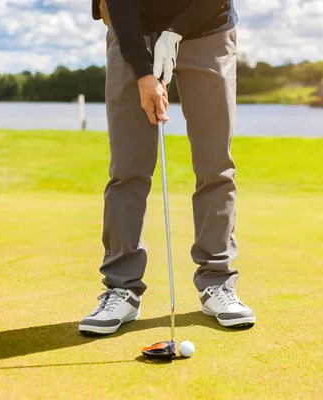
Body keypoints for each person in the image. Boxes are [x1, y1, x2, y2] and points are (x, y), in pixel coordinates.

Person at [79, 0, 255, 335]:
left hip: (208, 27)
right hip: (133, 27)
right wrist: (142, 71)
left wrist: (176, 32)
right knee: (128, 167)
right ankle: (122, 289)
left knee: (215, 164)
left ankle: (217, 282)